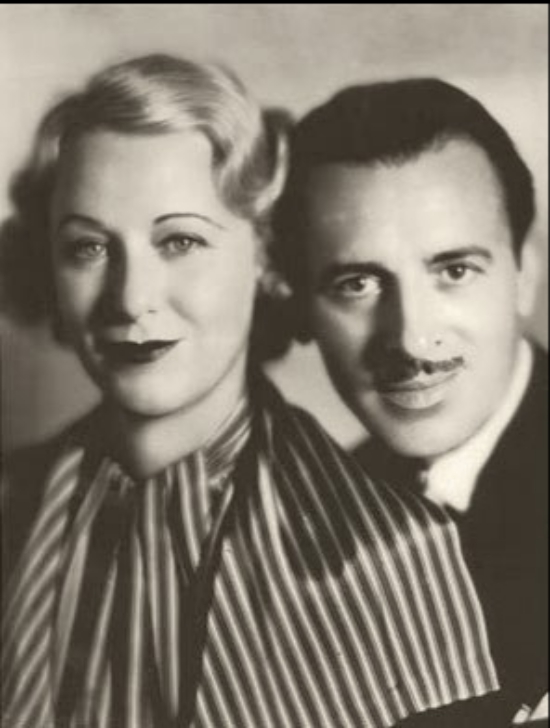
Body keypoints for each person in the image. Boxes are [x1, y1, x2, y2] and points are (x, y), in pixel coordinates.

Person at [0, 57, 499, 728]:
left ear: (264, 257)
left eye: (180, 241)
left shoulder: (388, 551)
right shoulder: (15, 503)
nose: (131, 297)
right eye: (88, 248)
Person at [274, 78, 548, 726]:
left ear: (525, 275)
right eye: (358, 284)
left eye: (454, 271)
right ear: (301, 307)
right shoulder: (306, 529)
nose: (411, 339)